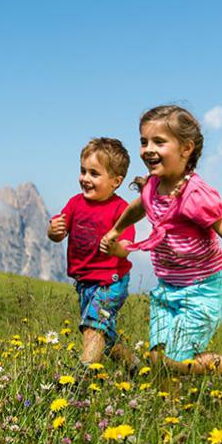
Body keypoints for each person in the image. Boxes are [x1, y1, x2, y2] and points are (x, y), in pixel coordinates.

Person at [100, 105, 222, 404]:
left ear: (186, 148)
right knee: (159, 359)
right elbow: (138, 206)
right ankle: (174, 419)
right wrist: (116, 230)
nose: (148, 149)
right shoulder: (153, 186)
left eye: (159, 142)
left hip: (203, 289)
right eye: (144, 141)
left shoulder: (196, 196)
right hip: (169, 288)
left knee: (174, 360)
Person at [48, 137, 140, 373]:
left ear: (115, 181)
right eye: (83, 171)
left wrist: (115, 247)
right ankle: (136, 366)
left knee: (94, 327)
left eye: (94, 174)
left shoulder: (121, 210)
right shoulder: (75, 203)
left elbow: (127, 246)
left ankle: (81, 379)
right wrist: (54, 231)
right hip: (84, 284)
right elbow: (59, 232)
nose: (85, 179)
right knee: (105, 336)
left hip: (110, 282)